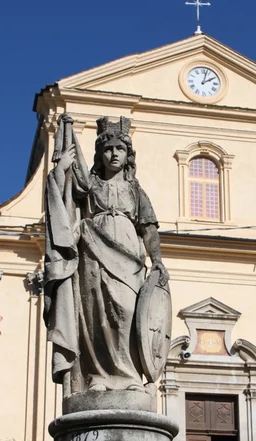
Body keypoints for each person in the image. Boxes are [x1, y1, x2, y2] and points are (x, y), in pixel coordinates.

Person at [44, 114, 169, 397]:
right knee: (96, 314)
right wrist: (60, 169)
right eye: (108, 149)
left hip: (129, 254)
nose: (114, 154)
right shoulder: (90, 186)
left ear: (128, 155)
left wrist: (158, 260)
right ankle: (98, 374)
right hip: (93, 249)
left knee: (127, 312)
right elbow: (64, 197)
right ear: (100, 154)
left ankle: (129, 375)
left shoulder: (135, 190)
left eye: (120, 149)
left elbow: (148, 227)